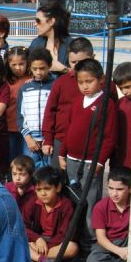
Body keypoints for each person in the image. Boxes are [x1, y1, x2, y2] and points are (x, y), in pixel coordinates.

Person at [59, 58, 117, 254]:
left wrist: (100, 161)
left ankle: (90, 244)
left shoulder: (106, 103)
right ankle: (74, 239)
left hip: (92, 163)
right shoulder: (77, 102)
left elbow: (109, 137)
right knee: (74, 201)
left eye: (89, 81)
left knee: (91, 202)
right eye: (80, 82)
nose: (84, 86)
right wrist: (62, 153)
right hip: (72, 160)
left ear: (100, 80)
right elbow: (69, 129)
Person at [41, 38, 96, 168]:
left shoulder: (103, 84)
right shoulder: (61, 83)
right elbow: (50, 111)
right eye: (73, 62)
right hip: (60, 140)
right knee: (57, 183)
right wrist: (48, 139)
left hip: (91, 143)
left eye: (82, 61)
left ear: (93, 57)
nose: (77, 66)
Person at [22, 166, 78, 262]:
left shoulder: (66, 205)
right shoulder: (32, 201)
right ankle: (43, 259)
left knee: (72, 248)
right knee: (15, 240)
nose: (43, 193)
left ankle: (35, 256)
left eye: (47, 189)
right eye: (39, 190)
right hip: (37, 240)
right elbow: (22, 225)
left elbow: (65, 234)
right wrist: (37, 239)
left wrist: (46, 246)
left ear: (58, 187)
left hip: (55, 242)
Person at [86, 167, 131, 262]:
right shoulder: (100, 207)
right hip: (109, 243)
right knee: (93, 261)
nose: (114, 194)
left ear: (130, 188)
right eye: (110, 188)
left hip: (128, 241)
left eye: (120, 189)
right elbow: (101, 238)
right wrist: (120, 251)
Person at [18, 48, 56, 169]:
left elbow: (58, 115)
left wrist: (49, 138)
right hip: (30, 140)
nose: (38, 72)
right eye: (35, 69)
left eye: (42, 68)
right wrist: (28, 138)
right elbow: (20, 116)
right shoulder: (25, 88)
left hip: (50, 141)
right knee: (30, 173)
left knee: (49, 175)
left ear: (49, 66)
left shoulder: (56, 86)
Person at [29, 2, 72, 75]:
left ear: (51, 21)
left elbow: (83, 73)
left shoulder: (71, 45)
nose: (35, 24)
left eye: (38, 21)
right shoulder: (35, 44)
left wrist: (64, 69)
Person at [4, 46, 31, 161]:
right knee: (12, 159)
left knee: (27, 159)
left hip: (28, 129)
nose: (18, 68)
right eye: (14, 65)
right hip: (10, 127)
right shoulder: (5, 81)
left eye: (21, 64)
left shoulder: (32, 79)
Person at [110, 62, 131, 171]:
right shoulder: (120, 103)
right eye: (120, 88)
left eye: (127, 87)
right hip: (120, 158)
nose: (124, 91)